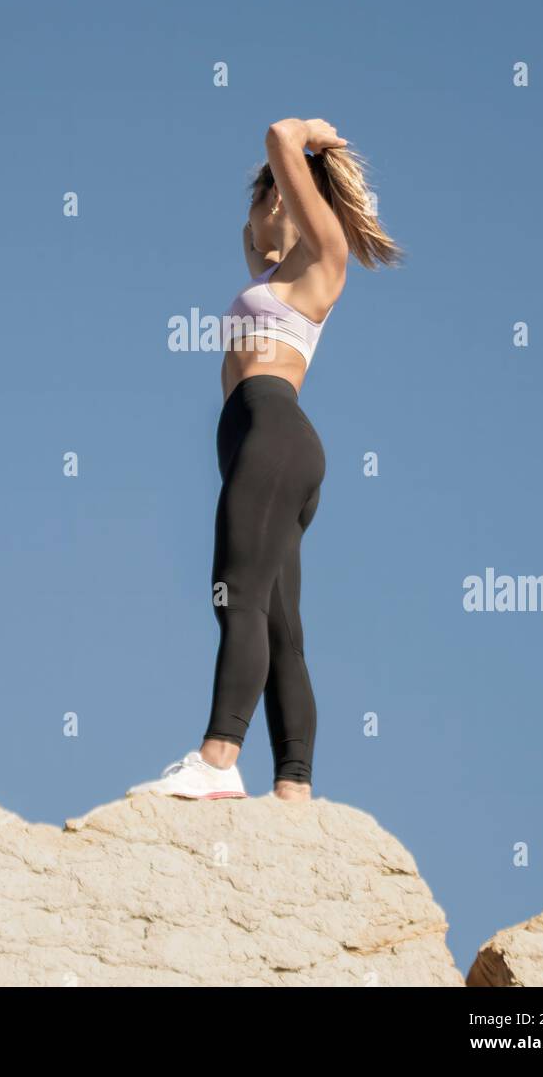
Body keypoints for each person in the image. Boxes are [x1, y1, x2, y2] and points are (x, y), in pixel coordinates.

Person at [127, 117, 401, 804]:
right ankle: (294, 792)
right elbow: (251, 239)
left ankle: (218, 760)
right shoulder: (275, 272)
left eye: (262, 200)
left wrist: (310, 141)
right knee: (279, 626)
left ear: (280, 196)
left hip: (273, 437)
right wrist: (268, 208)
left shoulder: (324, 257)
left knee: (234, 591)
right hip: (263, 446)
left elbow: (280, 134)